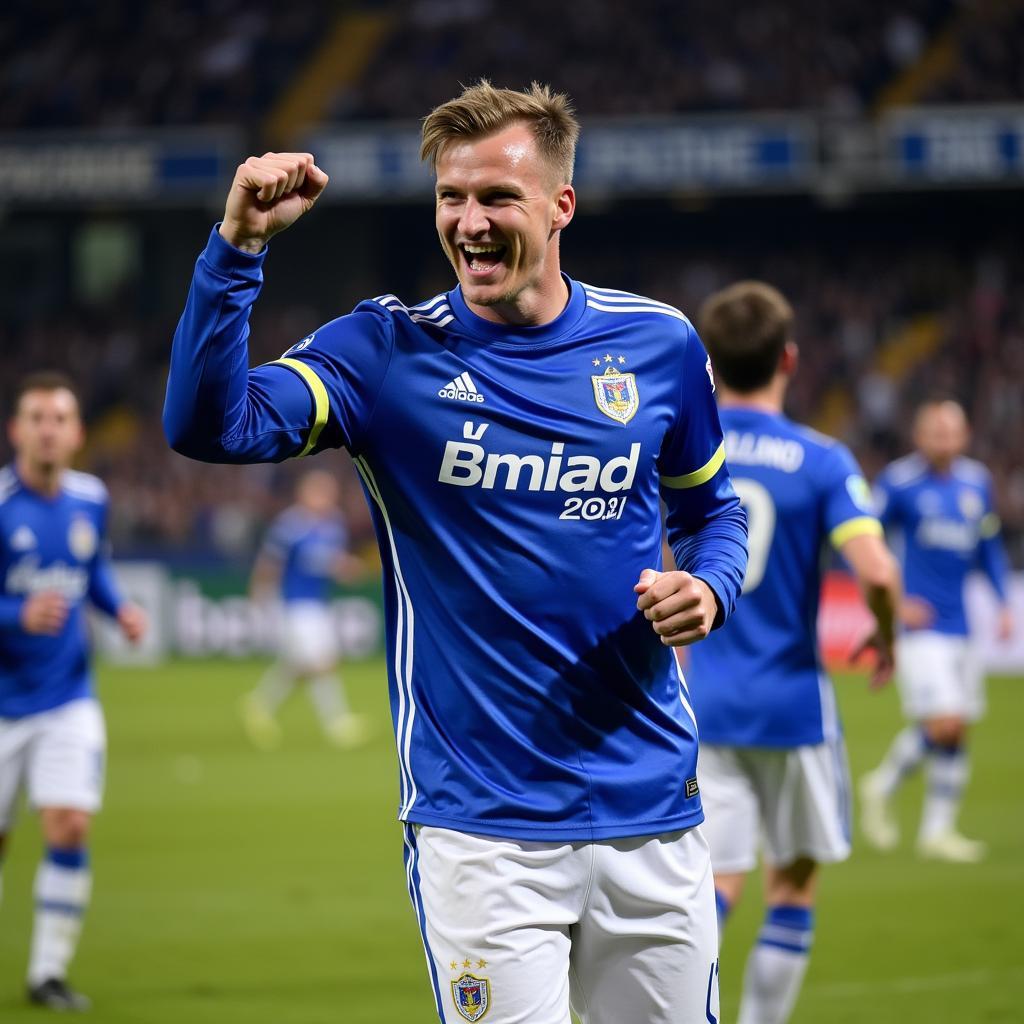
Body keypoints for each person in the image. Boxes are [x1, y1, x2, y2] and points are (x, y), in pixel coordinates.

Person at [164, 82, 747, 1023]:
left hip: (654, 814)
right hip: (484, 836)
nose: (468, 223)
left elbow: (716, 511)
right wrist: (237, 252)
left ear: (560, 206)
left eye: (496, 198)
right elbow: (209, 425)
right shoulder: (384, 354)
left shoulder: (658, 344)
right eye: (451, 198)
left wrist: (710, 589)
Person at [685, 282, 900, 1024]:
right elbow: (876, 570)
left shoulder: (685, 448)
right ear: (789, 358)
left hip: (703, 701)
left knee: (715, 880)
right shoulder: (822, 459)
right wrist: (885, 630)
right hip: (793, 706)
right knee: (793, 880)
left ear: (708, 362)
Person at [0, 372, 146, 1012]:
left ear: (78, 432)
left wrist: (120, 611)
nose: (48, 429)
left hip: (67, 697)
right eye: (37, 417)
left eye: (60, 418)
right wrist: (14, 615)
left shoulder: (91, 498)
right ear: (16, 431)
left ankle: (48, 973)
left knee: (69, 823)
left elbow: (94, 570)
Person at [860, 399, 1012, 863]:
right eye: (935, 432)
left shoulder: (977, 483)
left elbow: (988, 546)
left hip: (961, 623)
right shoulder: (900, 483)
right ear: (919, 436)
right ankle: (880, 785)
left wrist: (1003, 601)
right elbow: (866, 536)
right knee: (943, 722)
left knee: (957, 728)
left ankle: (937, 831)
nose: (943, 440)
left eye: (951, 432)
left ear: (964, 436)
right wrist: (896, 602)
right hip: (920, 628)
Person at [241, 468, 370, 749]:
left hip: (317, 603)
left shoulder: (334, 524)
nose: (326, 497)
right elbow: (269, 565)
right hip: (294, 605)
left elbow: (329, 562)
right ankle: (337, 723)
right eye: (320, 491)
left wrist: (347, 568)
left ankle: (260, 704)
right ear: (304, 493)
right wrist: (259, 596)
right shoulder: (290, 526)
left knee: (301, 666)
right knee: (323, 662)